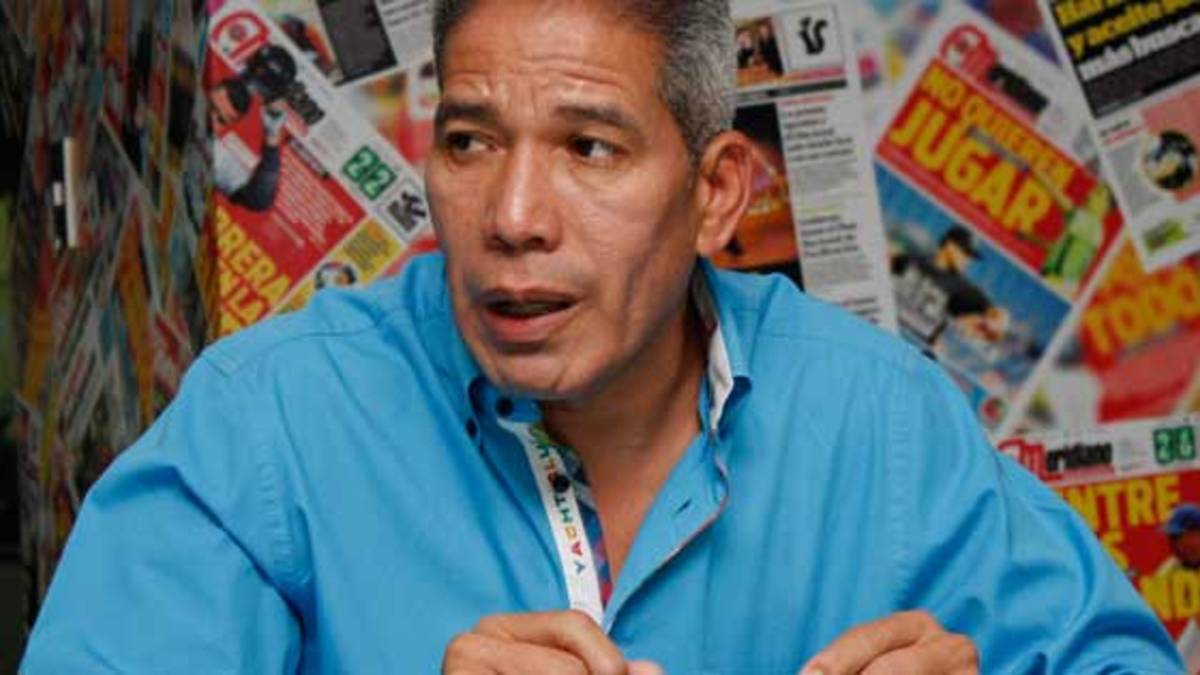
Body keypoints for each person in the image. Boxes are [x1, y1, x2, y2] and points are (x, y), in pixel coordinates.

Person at [22, 1, 1181, 673]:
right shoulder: (269, 424)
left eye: (589, 148)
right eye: (471, 143)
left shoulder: (881, 421)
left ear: (716, 195)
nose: (513, 218)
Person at [892, 225, 1009, 354]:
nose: (968, 260)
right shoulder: (913, 261)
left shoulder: (962, 289)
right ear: (950, 246)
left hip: (916, 347)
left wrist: (995, 322)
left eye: (970, 257)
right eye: (966, 253)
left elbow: (996, 315)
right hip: (890, 329)